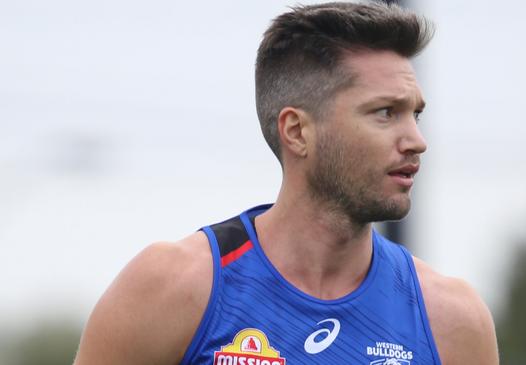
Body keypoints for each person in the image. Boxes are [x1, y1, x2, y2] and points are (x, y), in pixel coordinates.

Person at [74, 2, 498, 364]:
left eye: (415, 114)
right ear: (296, 131)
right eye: (385, 112)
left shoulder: (451, 319)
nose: (416, 141)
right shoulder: (174, 286)